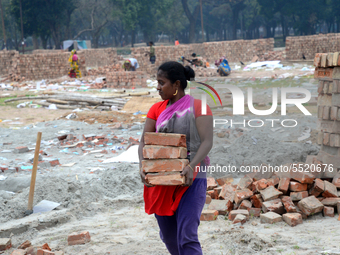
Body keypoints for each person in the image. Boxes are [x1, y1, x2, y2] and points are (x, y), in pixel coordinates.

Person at [138, 61, 213, 255]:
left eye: (162, 83)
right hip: (162, 180)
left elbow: (206, 142)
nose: (158, 87)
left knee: (187, 237)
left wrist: (191, 165)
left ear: (176, 85)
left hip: (192, 178)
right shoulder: (156, 109)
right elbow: (144, 142)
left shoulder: (199, 107)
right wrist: (142, 166)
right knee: (170, 238)